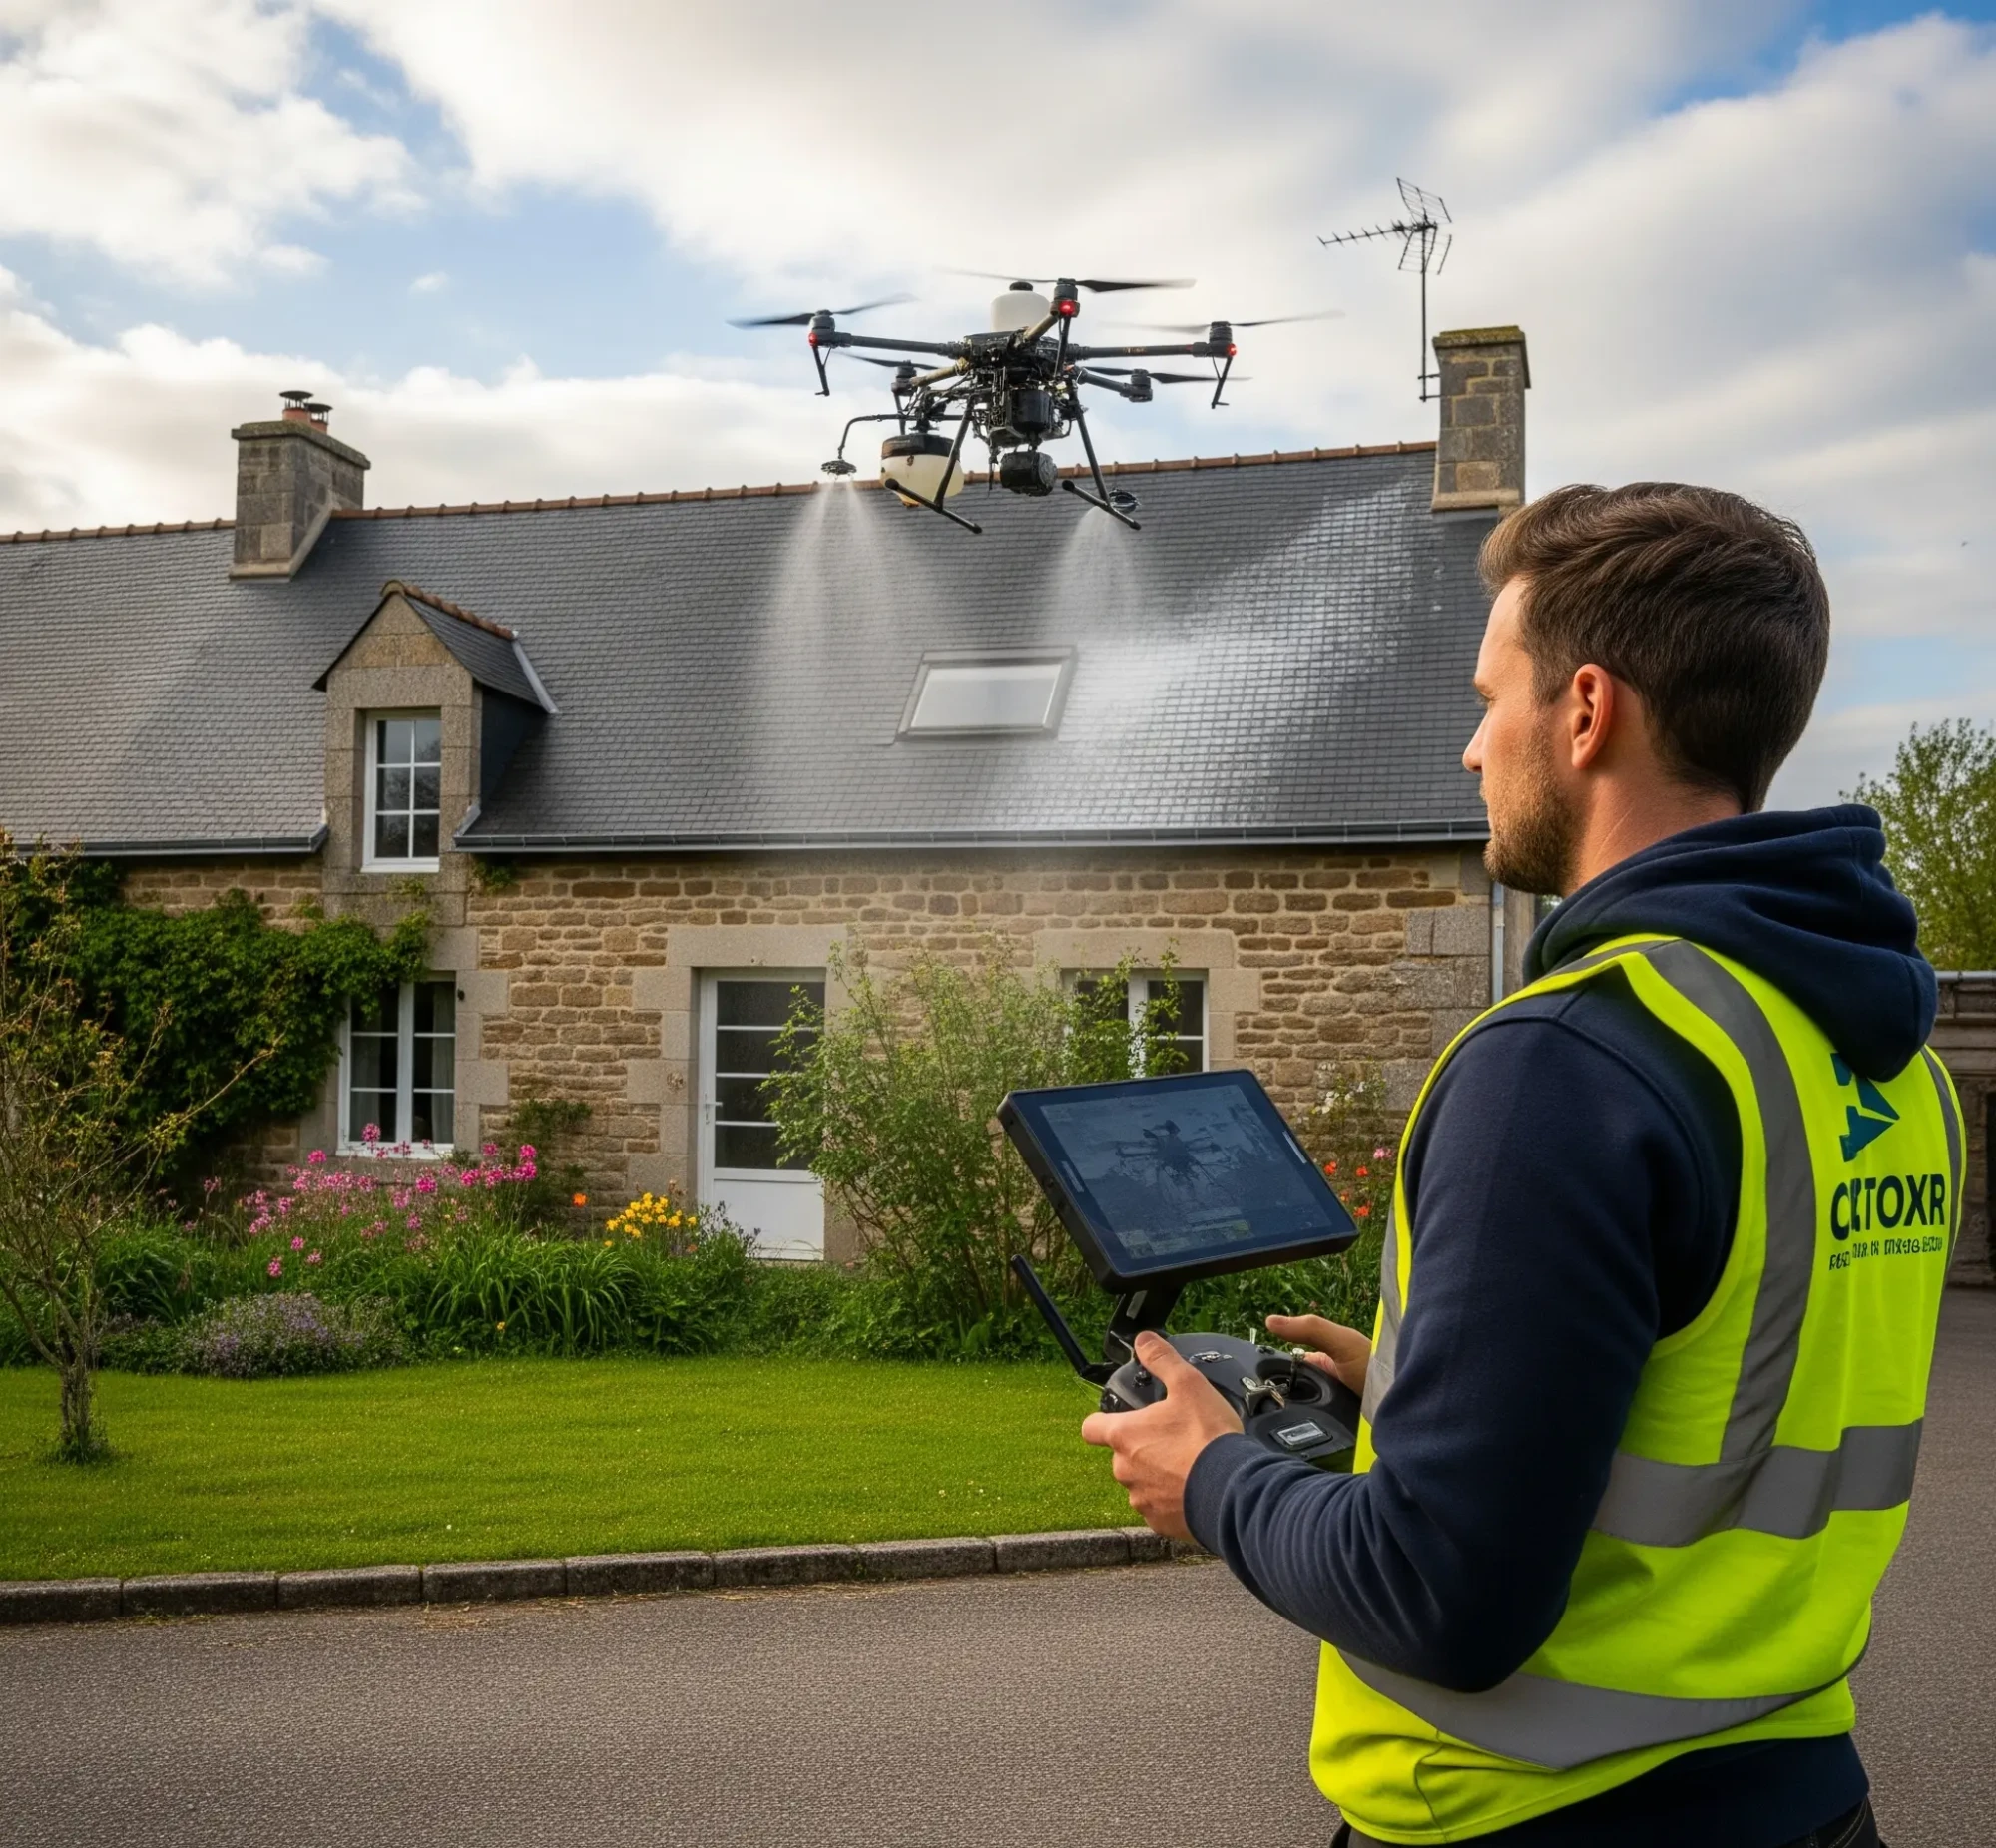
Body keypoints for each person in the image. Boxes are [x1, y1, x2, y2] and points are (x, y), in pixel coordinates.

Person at [1083, 483, 1960, 1848]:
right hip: (1801, 1794)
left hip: (1528, 1814)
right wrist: (1445, 1400)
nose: (1471, 750)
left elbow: (1445, 1599)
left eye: (1492, 699)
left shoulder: (1566, 1062)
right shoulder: (1885, 1060)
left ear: (1588, 712)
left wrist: (1213, 1477)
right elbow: (1745, 1402)